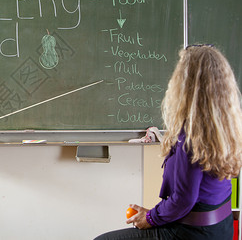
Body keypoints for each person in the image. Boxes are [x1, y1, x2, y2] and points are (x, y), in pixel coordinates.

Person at [95, 44, 242, 240]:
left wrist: (150, 217)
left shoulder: (191, 135)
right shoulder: (226, 127)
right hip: (220, 228)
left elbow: (184, 200)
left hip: (192, 233)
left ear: (185, 84)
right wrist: (153, 214)